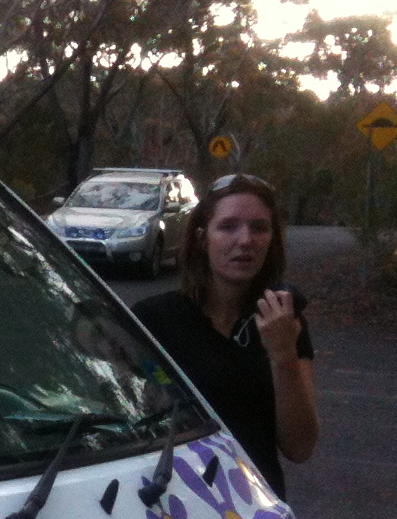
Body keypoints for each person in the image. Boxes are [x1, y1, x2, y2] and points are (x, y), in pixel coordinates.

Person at [133, 173, 319, 498]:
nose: (245, 240)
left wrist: (283, 355)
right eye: (228, 226)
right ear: (203, 238)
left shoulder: (282, 320)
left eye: (259, 228)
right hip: (172, 500)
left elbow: (299, 447)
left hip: (254, 505)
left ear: (271, 240)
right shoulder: (155, 319)